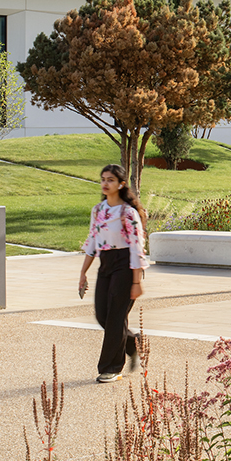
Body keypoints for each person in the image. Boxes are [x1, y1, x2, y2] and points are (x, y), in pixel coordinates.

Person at [78, 164, 148, 383]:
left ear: (121, 184)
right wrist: (83, 273)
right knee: (102, 315)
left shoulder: (128, 213)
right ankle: (132, 342)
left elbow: (137, 247)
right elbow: (92, 241)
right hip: (106, 265)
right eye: (103, 179)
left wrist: (136, 281)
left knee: (116, 317)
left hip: (125, 265)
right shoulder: (98, 210)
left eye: (110, 180)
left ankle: (111, 368)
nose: (105, 183)